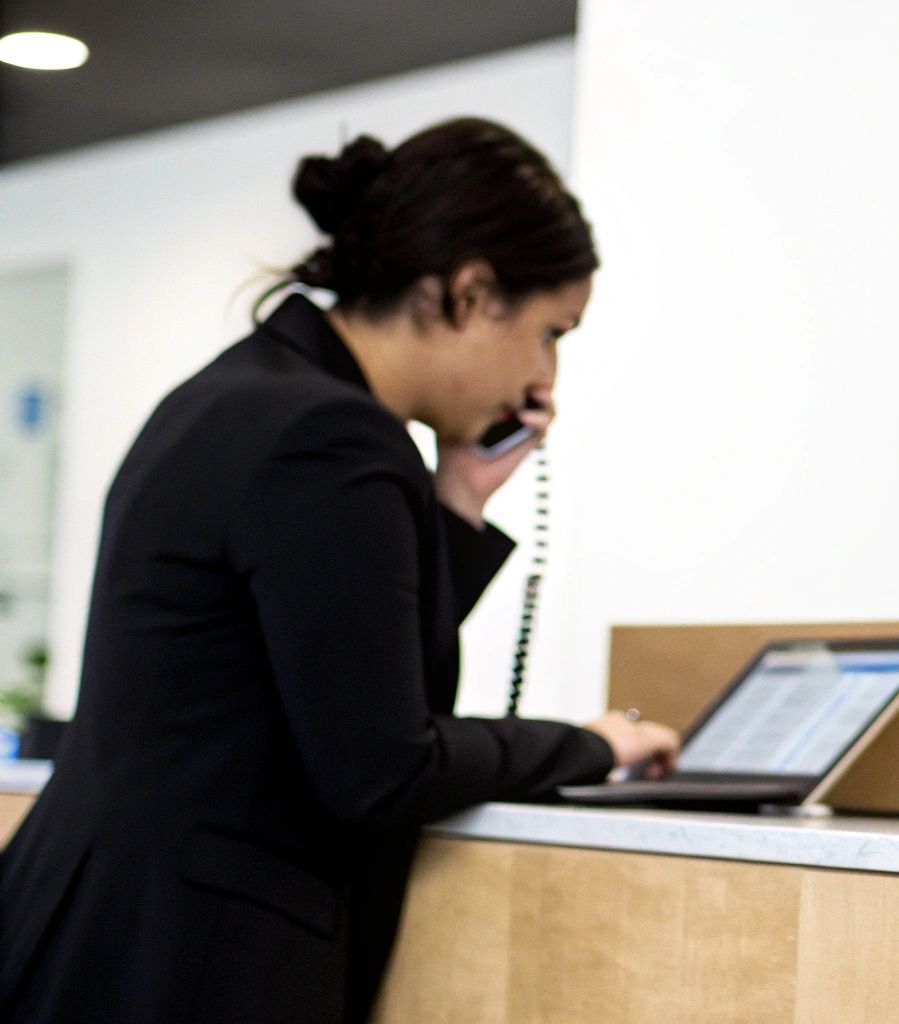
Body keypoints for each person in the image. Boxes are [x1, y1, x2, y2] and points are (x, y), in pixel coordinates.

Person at [0, 118, 681, 1023]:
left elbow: (333, 666)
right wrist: (592, 745)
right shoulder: (332, 438)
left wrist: (457, 502)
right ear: (472, 294)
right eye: (551, 332)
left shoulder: (243, 392)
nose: (543, 380)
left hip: (99, 930)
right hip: (182, 963)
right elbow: (381, 765)